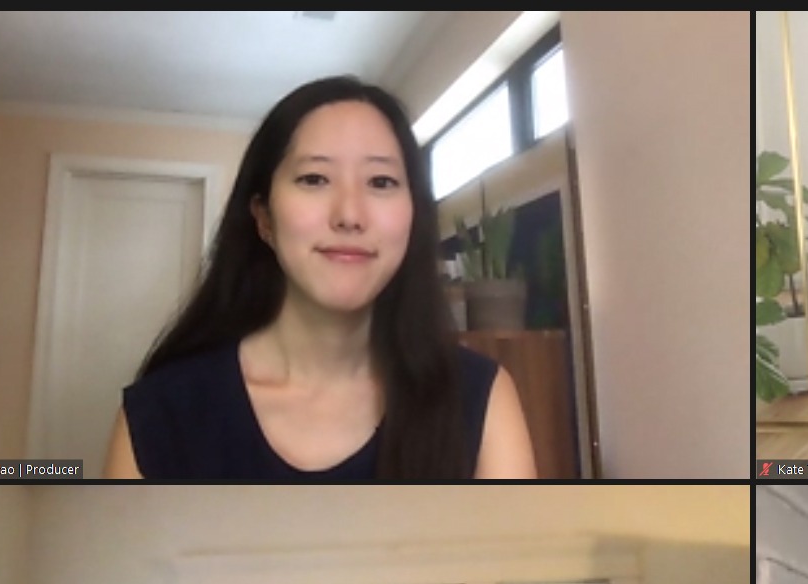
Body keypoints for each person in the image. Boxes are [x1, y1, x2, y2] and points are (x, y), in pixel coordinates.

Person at [109, 76, 538, 479]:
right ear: (264, 219)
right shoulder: (161, 412)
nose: (349, 215)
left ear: (413, 215)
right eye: (314, 179)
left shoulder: (480, 397)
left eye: (381, 181)